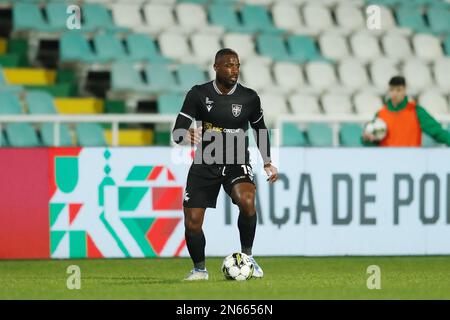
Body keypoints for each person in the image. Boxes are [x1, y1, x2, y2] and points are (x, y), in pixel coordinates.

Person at [172, 48, 279, 280]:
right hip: (206, 162)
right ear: (216, 67)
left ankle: (248, 258)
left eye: (237, 65)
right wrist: (184, 134)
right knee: (192, 223)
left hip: (236, 161)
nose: (234, 70)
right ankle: (199, 269)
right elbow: (177, 132)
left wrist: (268, 162)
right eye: (229, 65)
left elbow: (260, 130)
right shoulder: (198, 94)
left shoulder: (249, 97)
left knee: (247, 201)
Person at [362, 76, 450, 146]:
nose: (395, 93)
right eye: (392, 90)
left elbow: (437, 132)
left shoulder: (416, 111)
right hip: (387, 163)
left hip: (411, 162)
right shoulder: (381, 114)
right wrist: (366, 140)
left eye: (398, 90)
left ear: (404, 90)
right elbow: (372, 141)